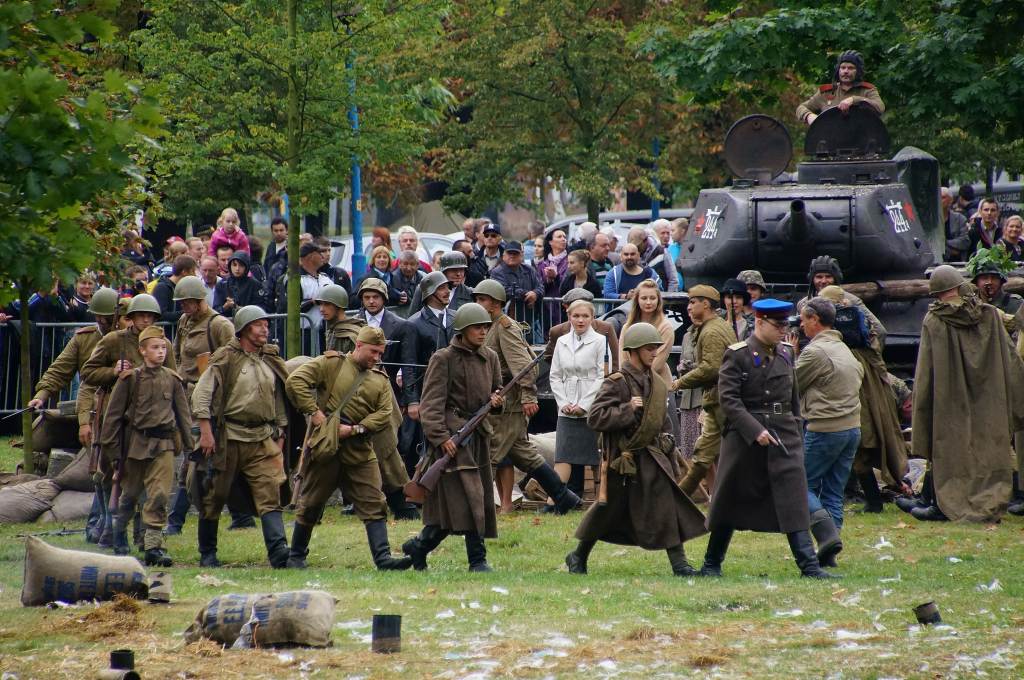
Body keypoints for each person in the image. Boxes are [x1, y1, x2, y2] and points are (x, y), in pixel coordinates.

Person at [699, 299, 837, 579]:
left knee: (794, 498)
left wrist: (796, 428)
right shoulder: (737, 355)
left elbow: (793, 397)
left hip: (783, 434)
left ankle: (809, 566)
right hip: (745, 439)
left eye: (786, 325)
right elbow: (729, 400)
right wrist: (755, 430)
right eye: (778, 325)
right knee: (729, 501)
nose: (783, 331)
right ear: (760, 322)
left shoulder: (786, 352)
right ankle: (711, 564)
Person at [564, 322, 708, 576]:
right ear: (633, 350)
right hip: (624, 460)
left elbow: (662, 419)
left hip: (652, 457)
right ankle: (578, 555)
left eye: (655, 348)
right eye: (648, 348)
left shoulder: (657, 382)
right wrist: (627, 409)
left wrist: (667, 442)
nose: (654, 353)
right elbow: (595, 418)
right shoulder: (616, 382)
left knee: (665, 505)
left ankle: (680, 565)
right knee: (608, 510)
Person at [284, 326, 413, 570]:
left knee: (374, 503)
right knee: (311, 502)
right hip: (327, 447)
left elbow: (384, 414)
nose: (377, 358)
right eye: (373, 352)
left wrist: (356, 429)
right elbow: (295, 381)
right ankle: (296, 556)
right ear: (359, 345)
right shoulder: (331, 364)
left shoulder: (380, 380)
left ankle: (383, 559)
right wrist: (315, 413)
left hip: (360, 450)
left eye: (381, 353)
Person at [905, 266, 1024, 522]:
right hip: (990, 396)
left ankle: (944, 506)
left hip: (949, 398)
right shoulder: (989, 314)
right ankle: (991, 503)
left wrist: (923, 406)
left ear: (936, 292)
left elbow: (926, 371)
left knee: (949, 449)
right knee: (990, 448)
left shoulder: (934, 320)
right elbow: (1010, 359)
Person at [401, 303, 505, 572]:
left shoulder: (490, 357)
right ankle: (477, 560)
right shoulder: (443, 358)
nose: (482, 332)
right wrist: (441, 437)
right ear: (463, 330)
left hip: (478, 437)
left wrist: (497, 401)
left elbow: (496, 392)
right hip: (452, 440)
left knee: (473, 499)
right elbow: (431, 404)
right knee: (461, 501)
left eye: (485, 327)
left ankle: (420, 546)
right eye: (477, 328)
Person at [191, 305, 291, 567]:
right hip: (228, 436)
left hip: (261, 437)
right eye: (259, 325)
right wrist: (206, 432)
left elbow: (278, 397)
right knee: (214, 494)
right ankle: (208, 552)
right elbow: (202, 395)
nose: (265, 330)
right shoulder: (226, 358)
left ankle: (279, 552)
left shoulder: (269, 358)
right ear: (244, 329)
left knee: (270, 491)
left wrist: (280, 431)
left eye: (266, 325)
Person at [472, 280, 582, 515]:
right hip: (501, 403)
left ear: (496, 303)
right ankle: (563, 497)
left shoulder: (504, 327)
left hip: (508, 404)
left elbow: (524, 366)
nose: (477, 303)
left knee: (490, 453)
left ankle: (474, 507)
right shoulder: (489, 326)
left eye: (482, 299)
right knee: (525, 454)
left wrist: (528, 396)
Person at [99, 326, 192, 566]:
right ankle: (120, 531)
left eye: (163, 348)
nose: (161, 352)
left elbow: (183, 415)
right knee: (130, 494)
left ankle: (153, 546)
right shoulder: (130, 379)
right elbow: (112, 418)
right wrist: (113, 452)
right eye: (155, 347)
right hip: (136, 445)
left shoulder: (172, 379)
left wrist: (190, 446)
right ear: (142, 351)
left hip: (164, 444)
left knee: (160, 494)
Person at [813, 284, 903, 513]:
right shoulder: (861, 325)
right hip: (868, 385)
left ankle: (874, 501)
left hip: (854, 392)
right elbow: (880, 332)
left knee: (859, 445)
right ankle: (873, 498)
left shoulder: (838, 334)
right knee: (861, 443)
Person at [164, 275, 241, 536]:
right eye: (181, 302)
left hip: (211, 399)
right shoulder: (184, 322)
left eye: (187, 302)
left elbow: (233, 360)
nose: (183, 306)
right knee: (202, 455)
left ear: (200, 300)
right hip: (187, 397)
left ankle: (176, 520)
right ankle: (241, 515)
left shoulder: (219, 325)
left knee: (195, 457)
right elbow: (177, 355)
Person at [791, 298, 863, 568]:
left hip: (824, 428)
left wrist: (791, 356)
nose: (800, 324)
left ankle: (826, 536)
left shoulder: (815, 352)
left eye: (803, 319)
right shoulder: (844, 348)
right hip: (851, 428)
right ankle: (830, 549)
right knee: (833, 491)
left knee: (801, 485)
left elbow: (791, 386)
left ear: (815, 320)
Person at [352, 277, 419, 521]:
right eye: (366, 297)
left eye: (376, 297)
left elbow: (408, 364)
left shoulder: (401, 325)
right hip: (356, 394)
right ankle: (361, 498)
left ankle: (400, 500)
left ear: (384, 299)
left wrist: (410, 399)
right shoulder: (352, 324)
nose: (371, 301)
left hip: (390, 391)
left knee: (394, 445)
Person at [669, 285, 737, 497]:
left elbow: (711, 368)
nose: (689, 307)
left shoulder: (711, 331)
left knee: (734, 452)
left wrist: (679, 382)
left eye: (692, 302)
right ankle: (680, 499)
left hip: (722, 399)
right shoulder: (717, 326)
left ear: (705, 304)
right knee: (703, 455)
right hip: (719, 399)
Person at [549, 298, 605, 503]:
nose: (581, 320)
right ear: (569, 317)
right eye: (576, 316)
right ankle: (556, 500)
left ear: (592, 318)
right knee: (563, 455)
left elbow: (602, 376)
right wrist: (563, 402)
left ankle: (599, 499)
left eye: (585, 316)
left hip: (590, 404)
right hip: (566, 404)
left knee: (594, 455)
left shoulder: (600, 341)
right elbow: (555, 375)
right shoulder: (562, 341)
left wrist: (584, 405)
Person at [402, 272, 455, 472]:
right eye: (441, 288)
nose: (447, 291)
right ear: (429, 293)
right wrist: (412, 401)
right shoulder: (414, 323)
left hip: (455, 390)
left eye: (447, 287)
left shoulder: (456, 317)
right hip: (427, 390)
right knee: (425, 445)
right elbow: (409, 363)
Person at [796, 50, 884, 125]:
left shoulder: (867, 90)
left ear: (858, 71)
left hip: (860, 137)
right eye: (843, 67)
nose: (846, 71)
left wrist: (854, 100)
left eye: (850, 68)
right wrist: (809, 116)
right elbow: (801, 108)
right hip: (830, 137)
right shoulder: (826, 92)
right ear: (838, 70)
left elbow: (880, 107)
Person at [544, 288, 619, 372]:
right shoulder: (557, 331)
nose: (580, 319)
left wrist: (609, 378)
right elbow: (549, 356)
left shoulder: (606, 328)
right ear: (567, 308)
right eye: (576, 313)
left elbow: (615, 360)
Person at [489, 241, 544, 332]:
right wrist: (527, 295)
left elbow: (541, 287)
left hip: (529, 320)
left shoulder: (529, 270)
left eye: (515, 253)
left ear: (521, 255)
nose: (512, 256)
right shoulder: (497, 272)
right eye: (509, 253)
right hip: (505, 321)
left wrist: (535, 293)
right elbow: (504, 290)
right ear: (504, 255)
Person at [276, 242, 334, 328]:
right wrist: (312, 302)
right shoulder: (295, 280)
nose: (323, 256)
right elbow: (288, 310)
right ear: (310, 257)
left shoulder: (326, 278)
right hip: (301, 332)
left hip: (324, 331)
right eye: (319, 253)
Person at [409, 251, 474, 314]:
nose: (458, 274)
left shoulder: (471, 294)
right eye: (454, 270)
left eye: (461, 269)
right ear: (444, 271)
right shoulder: (425, 288)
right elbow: (412, 318)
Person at [213, 251, 270, 316]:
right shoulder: (221, 284)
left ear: (246, 266)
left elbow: (261, 308)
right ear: (230, 266)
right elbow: (215, 310)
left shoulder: (255, 284)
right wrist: (225, 306)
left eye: (241, 265)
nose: (237, 268)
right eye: (234, 265)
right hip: (226, 321)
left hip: (249, 320)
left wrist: (242, 309)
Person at [317, 285, 365, 353]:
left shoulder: (352, 336)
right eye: (320, 304)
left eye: (327, 304)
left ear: (339, 305)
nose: (321, 309)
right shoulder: (332, 330)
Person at [629, 226, 677, 292]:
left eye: (638, 246)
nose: (636, 248)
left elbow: (673, 280)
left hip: (662, 296)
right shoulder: (631, 254)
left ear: (645, 240)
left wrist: (668, 297)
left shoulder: (662, 252)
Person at [151, 255, 196, 323]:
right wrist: (187, 313)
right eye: (193, 271)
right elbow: (161, 315)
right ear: (184, 272)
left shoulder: (185, 288)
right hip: (165, 329)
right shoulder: (162, 288)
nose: (195, 275)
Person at [391, 250, 425, 317]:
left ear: (417, 265)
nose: (409, 268)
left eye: (412, 264)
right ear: (399, 264)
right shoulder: (393, 278)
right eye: (405, 264)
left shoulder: (421, 278)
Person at [941, 187, 971, 260]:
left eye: (943, 197)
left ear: (951, 200)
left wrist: (944, 243)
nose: (939, 200)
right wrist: (951, 249)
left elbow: (965, 241)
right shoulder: (931, 221)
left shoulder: (960, 219)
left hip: (957, 262)